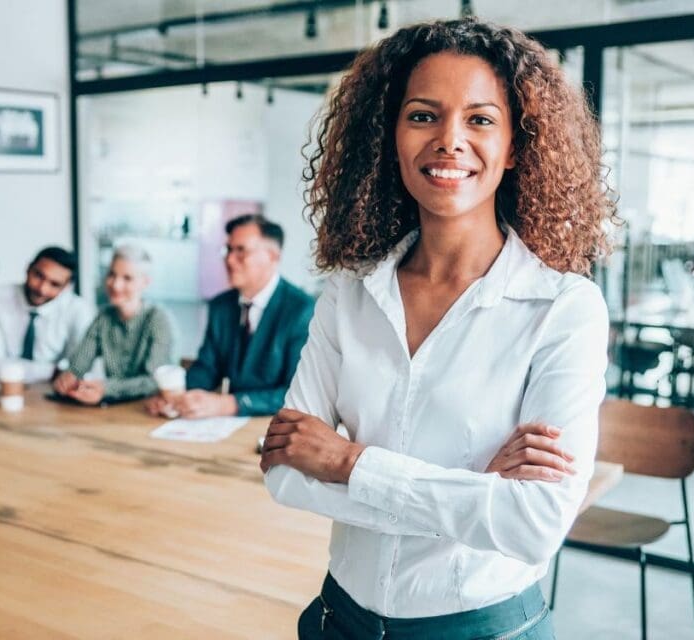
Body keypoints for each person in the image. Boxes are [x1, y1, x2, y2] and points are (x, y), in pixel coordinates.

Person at [260, 18, 615, 639]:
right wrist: (474, 497)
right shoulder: (348, 293)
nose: (450, 140)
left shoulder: (564, 308)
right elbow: (287, 472)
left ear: (515, 145)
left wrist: (348, 461)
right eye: (423, 115)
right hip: (337, 621)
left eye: (480, 119)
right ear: (389, 136)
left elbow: (534, 526)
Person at [144, 214, 315, 418]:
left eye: (241, 251)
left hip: (276, 426)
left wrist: (229, 404)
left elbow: (297, 393)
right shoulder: (221, 306)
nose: (229, 260)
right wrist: (175, 397)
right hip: (226, 428)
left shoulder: (302, 310)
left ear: (272, 257)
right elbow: (208, 368)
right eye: (228, 250)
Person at [53, 245, 175, 405]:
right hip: (112, 409)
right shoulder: (103, 317)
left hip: (150, 407)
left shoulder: (158, 319)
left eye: (127, 278)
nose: (115, 285)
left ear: (145, 283)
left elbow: (153, 381)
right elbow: (79, 364)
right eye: (112, 274)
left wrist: (106, 389)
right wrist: (69, 377)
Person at [0, 246, 93, 384]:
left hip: (54, 393)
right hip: (2, 389)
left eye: (54, 284)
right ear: (28, 268)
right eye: (38, 276)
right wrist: (55, 372)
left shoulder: (78, 309)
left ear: (66, 287)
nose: (42, 289)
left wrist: (68, 373)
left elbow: (80, 367)